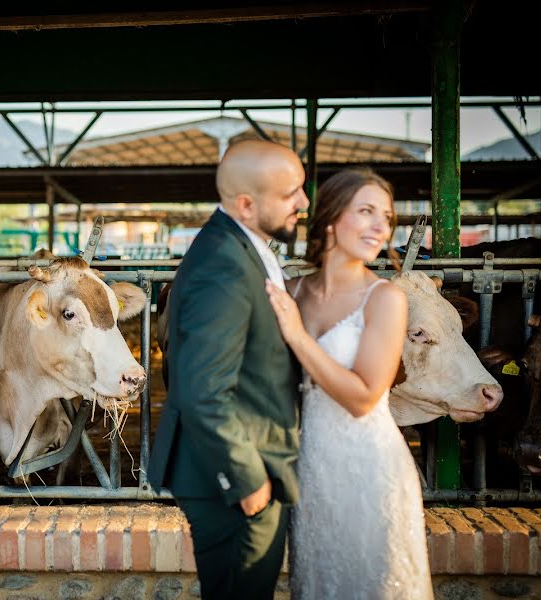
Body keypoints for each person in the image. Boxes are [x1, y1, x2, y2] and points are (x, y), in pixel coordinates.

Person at [148, 139, 309, 599]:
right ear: (246, 204)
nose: (304, 201)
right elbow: (202, 389)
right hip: (233, 480)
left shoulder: (241, 246)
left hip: (245, 465)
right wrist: (247, 480)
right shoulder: (223, 263)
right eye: (290, 192)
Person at [265, 168, 433, 599]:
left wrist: (298, 337)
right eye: (366, 211)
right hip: (313, 470)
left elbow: (364, 397)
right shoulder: (293, 292)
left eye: (388, 217)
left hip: (371, 471)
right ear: (330, 220)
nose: (381, 226)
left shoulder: (386, 298)